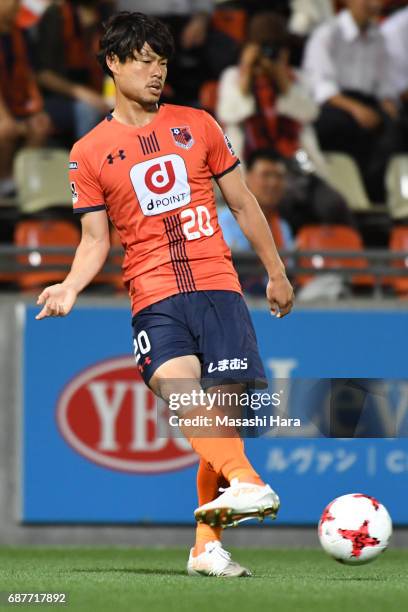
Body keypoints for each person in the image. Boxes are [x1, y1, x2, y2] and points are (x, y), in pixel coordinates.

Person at [35, 12, 294, 577]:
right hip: (154, 294)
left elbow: (244, 203)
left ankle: (205, 547)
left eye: (163, 61)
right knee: (181, 394)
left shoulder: (198, 123)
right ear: (113, 63)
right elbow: (95, 239)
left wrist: (275, 271)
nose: (156, 72)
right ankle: (248, 483)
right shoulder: (88, 150)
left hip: (219, 287)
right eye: (144, 60)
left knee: (218, 425)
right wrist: (71, 286)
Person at [302, 0, 402, 203]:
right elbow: (320, 86)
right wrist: (355, 109)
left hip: (368, 102)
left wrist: (388, 102)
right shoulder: (328, 33)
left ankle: (382, 198)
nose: (371, 4)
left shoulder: (379, 37)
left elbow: (383, 84)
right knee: (339, 126)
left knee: (396, 128)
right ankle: (341, 194)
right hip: (335, 105)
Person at [216, 12, 318, 161]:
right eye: (263, 48)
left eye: (276, 48)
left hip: (292, 159)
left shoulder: (297, 77)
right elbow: (228, 115)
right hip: (249, 160)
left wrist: (282, 79)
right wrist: (247, 71)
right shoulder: (233, 76)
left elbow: (309, 113)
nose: (268, 55)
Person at [35, 0, 109, 141]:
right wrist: (81, 93)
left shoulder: (105, 14)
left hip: (99, 92)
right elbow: (43, 74)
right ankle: (81, 161)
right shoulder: (56, 15)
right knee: (87, 110)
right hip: (57, 97)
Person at [0, 0, 51, 197]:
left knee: (41, 125)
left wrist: (38, 110)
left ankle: (24, 181)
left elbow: (29, 76)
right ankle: (4, 182)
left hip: (17, 105)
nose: (16, 7)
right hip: (4, 111)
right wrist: (4, 118)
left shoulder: (20, 34)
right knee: (5, 131)